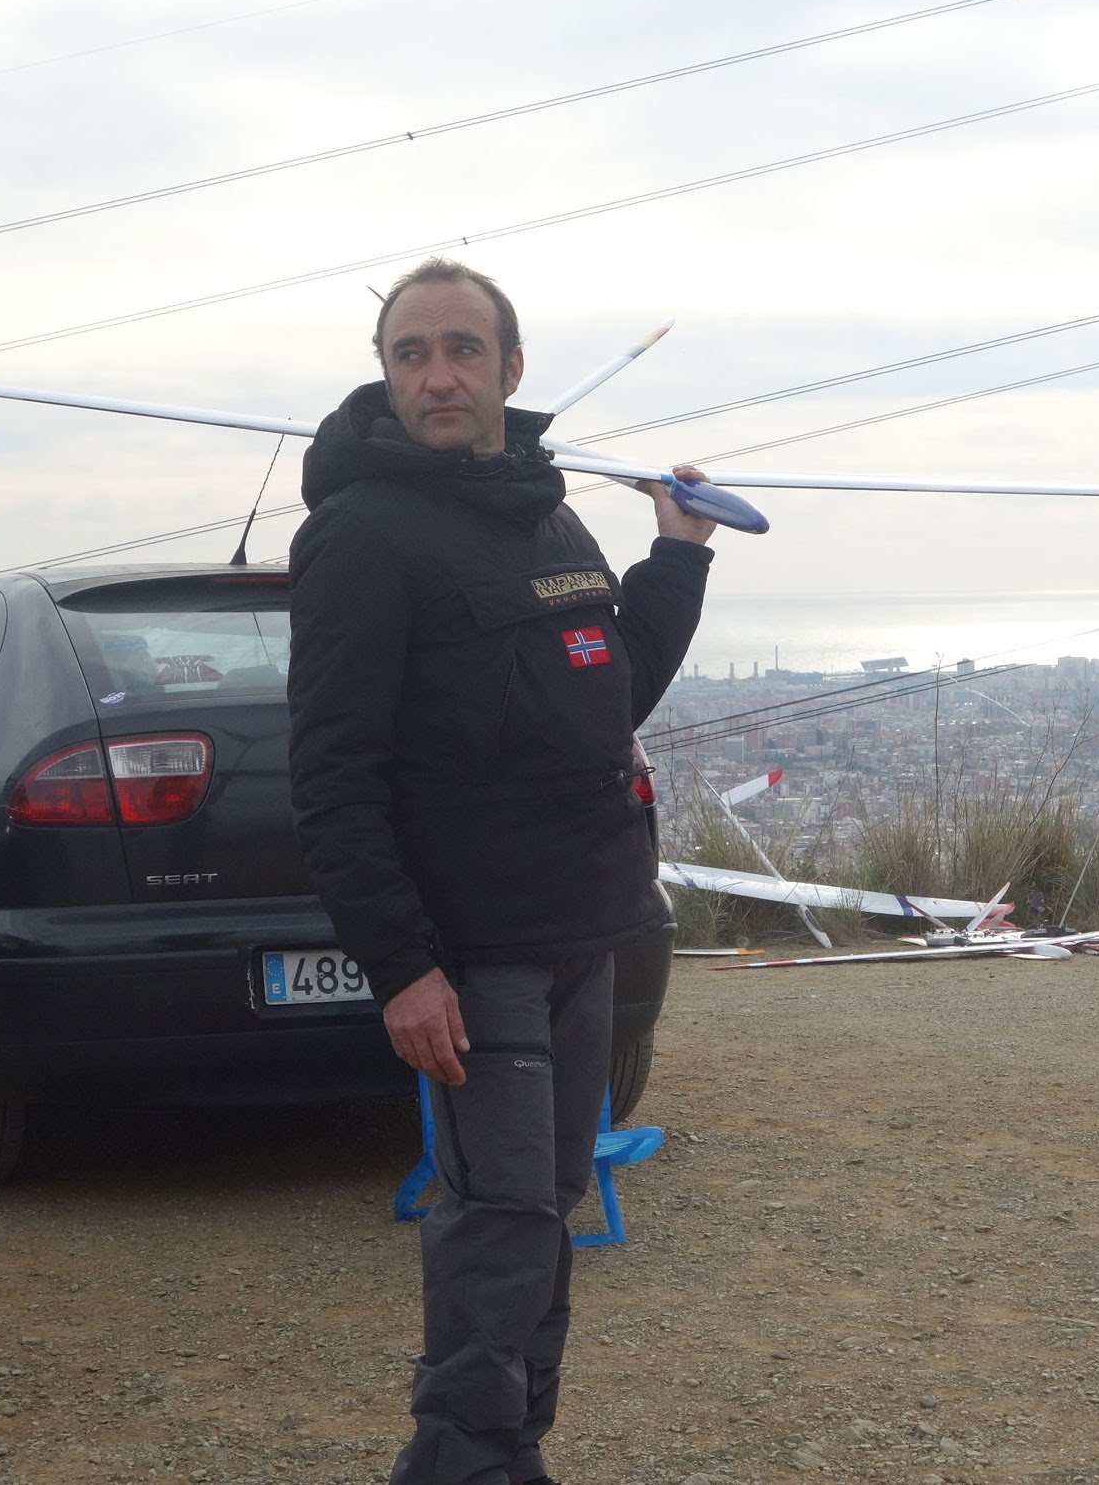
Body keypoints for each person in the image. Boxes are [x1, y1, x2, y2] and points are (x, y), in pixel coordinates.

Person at [287, 257, 715, 1485]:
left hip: (584, 930)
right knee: (501, 1215)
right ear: (385, 375)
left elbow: (602, 696)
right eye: (409, 353)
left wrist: (676, 558)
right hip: (475, 955)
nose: (437, 375)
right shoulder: (361, 534)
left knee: (547, 1201)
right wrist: (401, 968)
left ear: (509, 368)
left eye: (461, 349)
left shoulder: (545, 513)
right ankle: (459, 1464)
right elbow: (333, 777)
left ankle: (509, 1452)